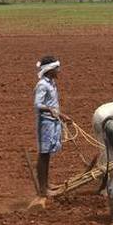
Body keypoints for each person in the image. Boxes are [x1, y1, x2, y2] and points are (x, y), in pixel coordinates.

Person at [33, 55, 71, 202]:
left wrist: (59, 116)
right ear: (49, 70)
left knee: (47, 154)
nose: (59, 71)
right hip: (46, 124)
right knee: (44, 154)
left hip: (53, 122)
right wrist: (59, 114)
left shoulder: (52, 83)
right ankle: (43, 189)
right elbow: (38, 104)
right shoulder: (43, 85)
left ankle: (46, 184)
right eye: (57, 68)